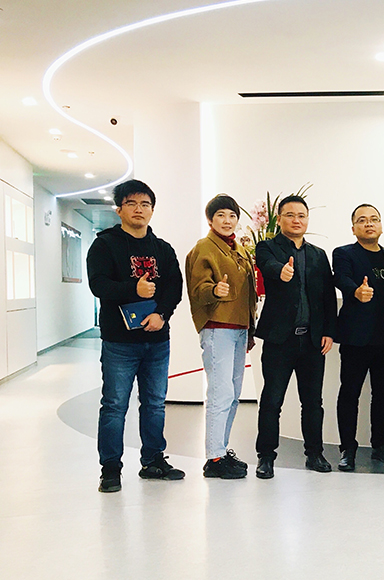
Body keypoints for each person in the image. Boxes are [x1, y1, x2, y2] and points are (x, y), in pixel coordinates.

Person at [87, 179, 184, 493]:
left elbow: (174, 288)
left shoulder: (162, 249)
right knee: (114, 405)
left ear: (152, 210)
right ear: (119, 210)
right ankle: (110, 469)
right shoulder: (104, 245)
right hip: (119, 342)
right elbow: (98, 285)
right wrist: (134, 289)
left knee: (155, 404)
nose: (139, 209)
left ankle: (153, 460)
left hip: (157, 340)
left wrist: (161, 315)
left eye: (145, 204)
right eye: (131, 203)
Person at [253, 195, 337, 478]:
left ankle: (314, 454)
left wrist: (329, 332)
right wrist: (281, 271)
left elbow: (327, 297)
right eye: (290, 215)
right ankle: (266, 457)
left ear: (307, 219)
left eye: (301, 215)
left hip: (312, 341)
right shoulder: (267, 247)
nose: (296, 220)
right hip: (280, 339)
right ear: (279, 219)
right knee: (272, 400)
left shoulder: (318, 254)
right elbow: (266, 265)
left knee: (312, 402)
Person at [185, 194, 257, 480]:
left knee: (234, 393)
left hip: (239, 327)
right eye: (221, 215)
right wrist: (214, 290)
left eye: (232, 216)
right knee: (220, 393)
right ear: (210, 219)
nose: (227, 221)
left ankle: (221, 451)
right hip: (218, 327)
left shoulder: (238, 249)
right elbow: (197, 289)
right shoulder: (204, 248)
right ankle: (214, 457)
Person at [332, 204, 384, 472]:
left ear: (381, 226)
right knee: (349, 393)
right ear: (353, 228)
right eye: (362, 220)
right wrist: (355, 291)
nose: (369, 224)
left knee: (383, 394)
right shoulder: (344, 253)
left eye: (374, 219)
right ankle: (347, 449)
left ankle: (380, 445)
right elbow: (341, 278)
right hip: (355, 339)